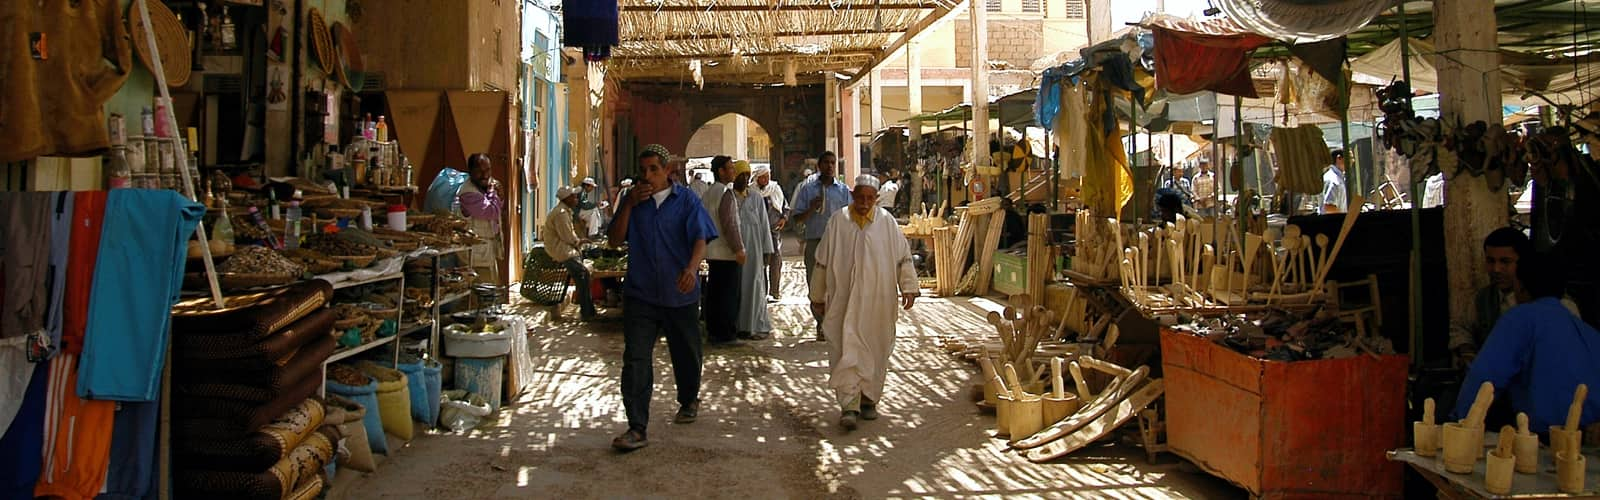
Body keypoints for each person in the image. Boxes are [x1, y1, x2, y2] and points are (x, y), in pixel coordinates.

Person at [605, 145, 718, 451]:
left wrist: (692, 270)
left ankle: (688, 398)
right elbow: (615, 240)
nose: (647, 176)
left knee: (686, 352)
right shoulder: (633, 202)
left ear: (668, 170)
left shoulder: (687, 201)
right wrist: (627, 205)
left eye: (654, 169)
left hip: (678, 292)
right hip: (641, 293)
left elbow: (700, 238)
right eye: (643, 170)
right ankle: (637, 426)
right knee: (637, 359)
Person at [809, 174, 919, 430]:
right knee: (843, 347)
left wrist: (909, 287)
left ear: (876, 199)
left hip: (878, 303)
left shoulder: (886, 223)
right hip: (843, 301)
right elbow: (822, 262)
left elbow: (903, 258)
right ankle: (849, 404)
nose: (864, 203)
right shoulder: (838, 222)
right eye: (860, 197)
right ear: (852, 196)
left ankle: (869, 399)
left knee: (877, 348)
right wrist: (817, 296)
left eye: (870, 198)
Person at [1452, 253, 1599, 433]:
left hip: (1547, 438)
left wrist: (1460, 425)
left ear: (1520, 286)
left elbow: (1484, 380)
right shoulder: (1587, 331)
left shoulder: (1520, 319)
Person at [1449, 228, 1581, 366]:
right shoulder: (1483, 298)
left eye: (1505, 262)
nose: (1496, 269)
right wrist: (1467, 352)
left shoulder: (1560, 303)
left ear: (1523, 262)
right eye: (1490, 261)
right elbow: (1461, 328)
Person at [789, 151, 851, 340]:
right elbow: (796, 218)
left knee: (838, 283)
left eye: (833, 163)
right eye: (826, 163)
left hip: (838, 243)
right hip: (816, 242)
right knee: (815, 283)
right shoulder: (808, 190)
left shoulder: (843, 190)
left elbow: (851, 218)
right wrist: (811, 209)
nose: (830, 166)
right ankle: (821, 324)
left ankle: (835, 323)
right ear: (819, 166)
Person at [701, 155, 746, 346]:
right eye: (730, 168)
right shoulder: (725, 194)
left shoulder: (709, 193)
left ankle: (714, 331)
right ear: (721, 171)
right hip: (726, 253)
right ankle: (726, 334)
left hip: (712, 251)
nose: (733, 172)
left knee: (715, 293)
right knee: (728, 295)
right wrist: (739, 248)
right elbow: (730, 224)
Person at [730, 161, 775, 340]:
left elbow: (764, 224)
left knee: (754, 285)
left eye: (747, 176)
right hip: (735, 250)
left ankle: (754, 325)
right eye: (741, 175)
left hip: (754, 250)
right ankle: (738, 326)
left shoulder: (755, 197)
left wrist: (767, 250)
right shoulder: (729, 197)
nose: (744, 179)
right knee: (737, 286)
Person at [543, 186, 596, 320]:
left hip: (565, 248)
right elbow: (567, 236)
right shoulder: (561, 213)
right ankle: (587, 312)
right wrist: (579, 241)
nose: (576, 198)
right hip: (561, 250)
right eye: (573, 196)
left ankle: (588, 309)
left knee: (584, 273)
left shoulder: (565, 211)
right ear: (567, 198)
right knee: (583, 274)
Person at [458, 153, 503, 286]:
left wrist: (499, 196)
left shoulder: (483, 189)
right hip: (475, 254)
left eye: (487, 170)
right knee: (481, 289)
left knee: (491, 287)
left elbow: (498, 209)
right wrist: (493, 192)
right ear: (470, 172)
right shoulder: (468, 193)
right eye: (479, 171)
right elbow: (491, 212)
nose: (485, 175)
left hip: (486, 252)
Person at [754, 165, 787, 300]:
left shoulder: (775, 188)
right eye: (763, 177)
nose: (766, 179)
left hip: (773, 230)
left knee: (775, 261)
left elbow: (785, 206)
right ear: (757, 178)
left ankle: (775, 291)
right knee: (760, 263)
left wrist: (784, 218)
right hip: (758, 232)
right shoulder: (752, 191)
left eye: (768, 176)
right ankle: (762, 292)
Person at [1320, 149, 1348, 215]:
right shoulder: (1333, 180)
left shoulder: (1338, 178)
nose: (1353, 161)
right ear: (1339, 158)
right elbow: (1328, 206)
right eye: (1350, 158)